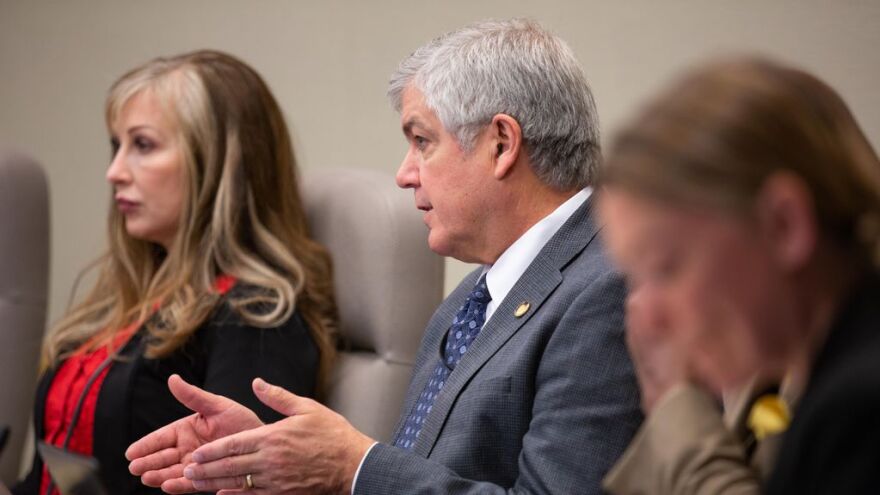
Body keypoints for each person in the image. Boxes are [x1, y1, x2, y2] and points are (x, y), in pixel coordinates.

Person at [125, 19, 643, 494]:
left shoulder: (608, 291)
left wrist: (353, 467)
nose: (404, 173)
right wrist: (276, 465)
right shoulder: (474, 297)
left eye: (422, 141)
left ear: (502, 144)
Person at [11, 50, 336, 495]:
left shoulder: (257, 316)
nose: (114, 172)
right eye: (116, 145)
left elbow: (235, 484)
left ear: (219, 164)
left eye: (142, 145)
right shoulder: (123, 301)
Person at [598, 56, 880, 494]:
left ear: (784, 225)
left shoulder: (859, 412)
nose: (644, 314)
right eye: (635, 277)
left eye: (665, 268)